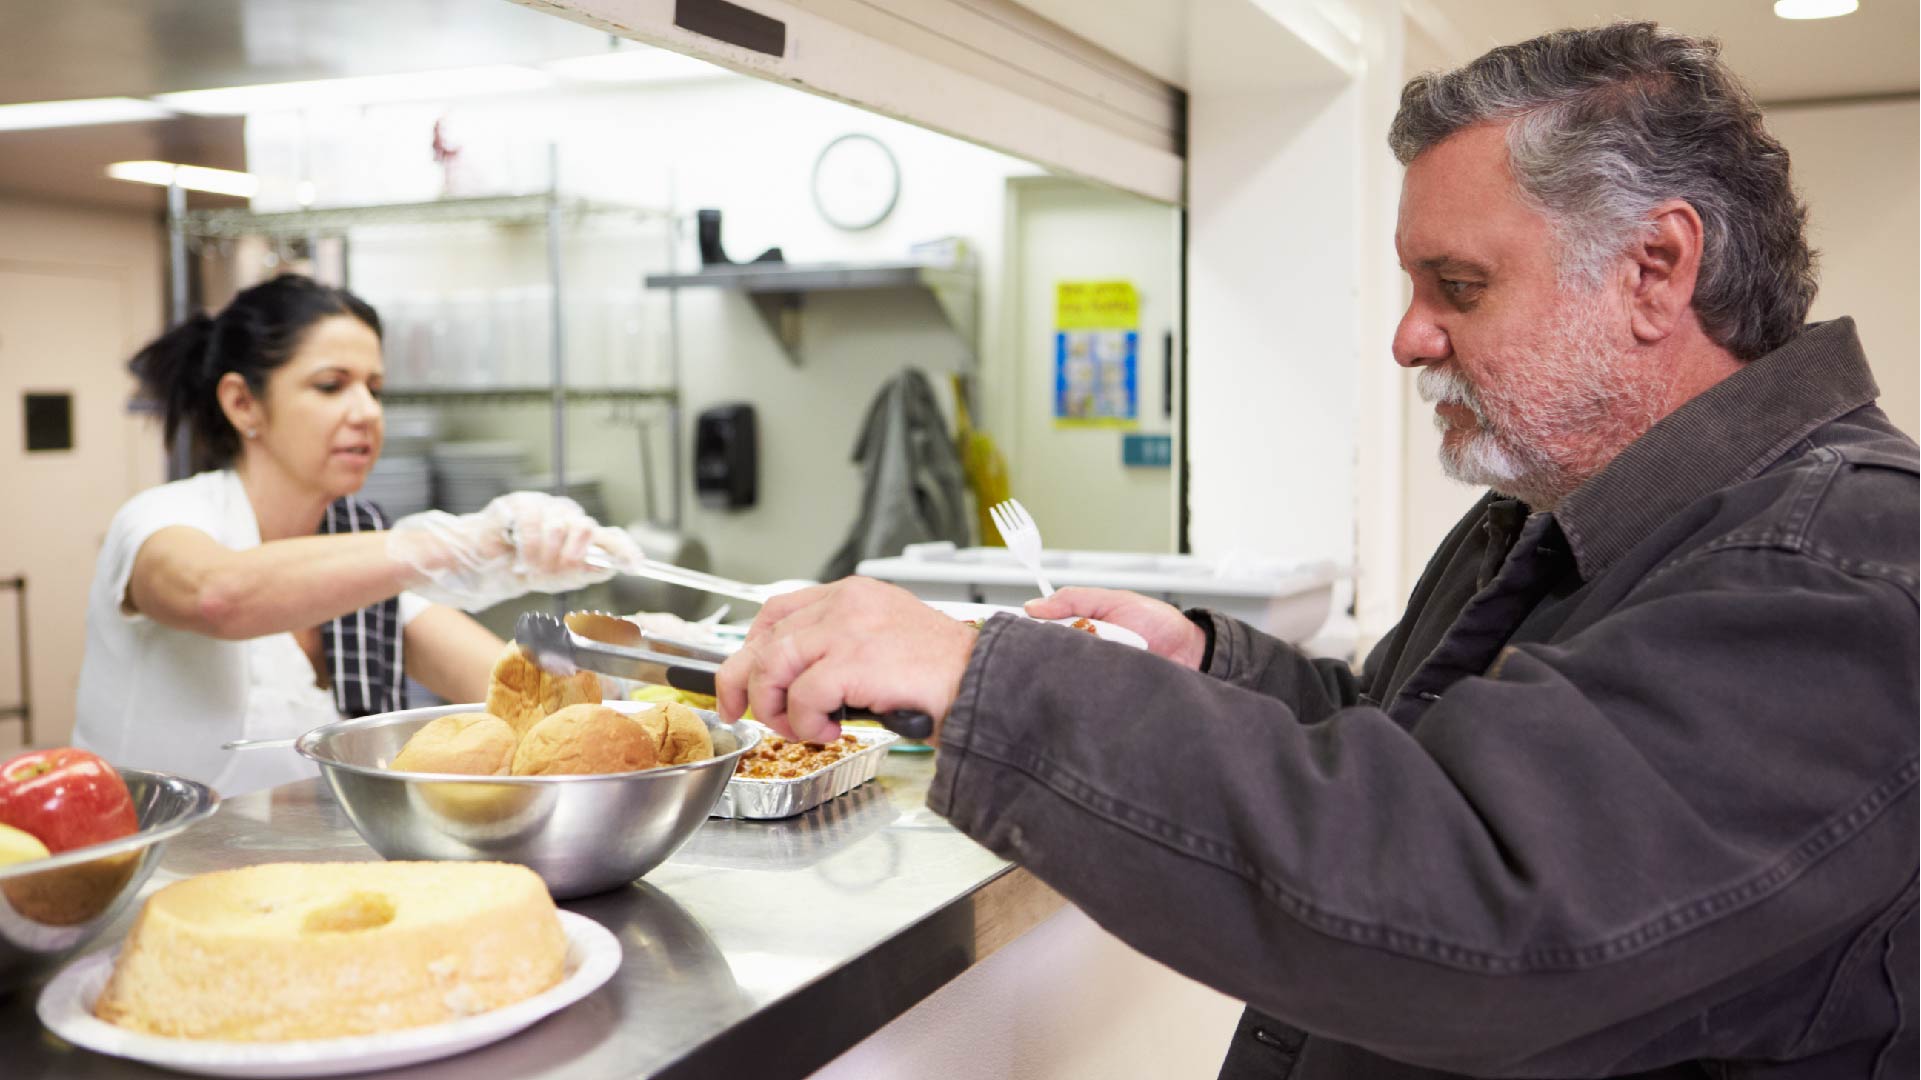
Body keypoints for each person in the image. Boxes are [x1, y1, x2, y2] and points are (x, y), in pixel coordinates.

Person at [717, 23, 1917, 1079]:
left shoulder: (1847, 570)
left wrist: (992, 685)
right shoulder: (1559, 515)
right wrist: (1198, 665)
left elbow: (1483, 899)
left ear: (1655, 269)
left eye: (1457, 283)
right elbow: (1406, 747)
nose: (1408, 336)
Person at [76, 274, 638, 796]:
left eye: (374, 388)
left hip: (293, 874)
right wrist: (451, 543)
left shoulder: (356, 544)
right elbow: (218, 594)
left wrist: (636, 664)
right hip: (141, 876)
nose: (366, 412)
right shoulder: (159, 519)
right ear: (242, 402)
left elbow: (522, 690)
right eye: (330, 386)